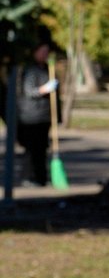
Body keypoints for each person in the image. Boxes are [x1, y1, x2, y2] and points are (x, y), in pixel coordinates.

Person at [16, 41, 58, 187]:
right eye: (43, 51)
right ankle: (29, 177)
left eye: (47, 52)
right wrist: (45, 89)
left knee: (42, 148)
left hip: (44, 116)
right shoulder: (31, 70)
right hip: (31, 117)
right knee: (32, 149)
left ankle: (41, 178)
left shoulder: (47, 69)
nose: (45, 54)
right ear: (35, 52)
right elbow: (29, 91)